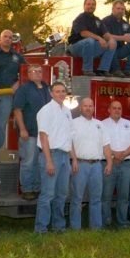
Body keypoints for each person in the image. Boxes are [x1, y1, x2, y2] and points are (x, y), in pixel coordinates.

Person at [34, 82, 75, 233]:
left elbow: (70, 137)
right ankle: (41, 229)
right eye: (57, 91)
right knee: (47, 194)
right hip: (51, 155)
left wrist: (73, 159)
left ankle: (59, 227)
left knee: (61, 195)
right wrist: (49, 161)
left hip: (64, 156)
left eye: (63, 91)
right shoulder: (46, 110)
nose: (61, 94)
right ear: (51, 94)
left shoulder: (67, 111)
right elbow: (43, 136)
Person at [68, 97, 111, 230]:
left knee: (96, 198)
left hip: (97, 166)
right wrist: (74, 160)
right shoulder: (73, 123)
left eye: (90, 106)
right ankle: (75, 228)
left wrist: (109, 162)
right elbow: (69, 144)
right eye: (85, 106)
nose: (88, 108)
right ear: (80, 108)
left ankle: (96, 228)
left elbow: (106, 145)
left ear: (94, 108)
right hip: (80, 164)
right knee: (77, 198)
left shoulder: (100, 125)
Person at [11, 65, 51, 199]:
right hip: (30, 133)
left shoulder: (46, 88)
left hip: (44, 134)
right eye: (34, 71)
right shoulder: (24, 89)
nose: (38, 74)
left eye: (40, 71)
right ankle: (27, 189)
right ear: (28, 74)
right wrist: (22, 129)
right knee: (28, 162)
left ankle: (37, 188)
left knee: (40, 162)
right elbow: (17, 110)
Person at [0, 29, 24, 162]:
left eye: (10, 37)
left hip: (7, 95)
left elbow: (27, 71)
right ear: (0, 39)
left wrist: (18, 83)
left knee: (1, 126)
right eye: (5, 36)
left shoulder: (17, 57)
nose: (8, 39)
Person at [102, 100, 130, 227]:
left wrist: (122, 155)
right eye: (114, 108)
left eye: (119, 108)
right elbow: (101, 145)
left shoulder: (129, 124)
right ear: (109, 110)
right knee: (106, 195)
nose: (117, 110)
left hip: (125, 165)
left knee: (124, 196)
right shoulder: (102, 125)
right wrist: (114, 154)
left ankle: (122, 222)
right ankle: (106, 223)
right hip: (109, 164)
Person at [69, 0, 115, 76]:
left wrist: (111, 39)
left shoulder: (97, 20)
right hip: (76, 48)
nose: (91, 6)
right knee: (90, 41)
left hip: (91, 48)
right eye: (88, 4)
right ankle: (87, 70)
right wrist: (99, 38)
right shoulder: (80, 18)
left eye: (93, 4)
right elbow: (83, 33)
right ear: (84, 6)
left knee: (112, 43)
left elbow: (105, 33)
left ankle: (103, 70)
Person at [101, 1, 130, 78]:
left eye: (122, 9)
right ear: (113, 9)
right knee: (112, 43)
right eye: (118, 8)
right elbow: (106, 36)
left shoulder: (125, 24)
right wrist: (123, 38)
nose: (120, 11)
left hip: (120, 50)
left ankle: (128, 70)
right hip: (107, 50)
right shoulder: (106, 21)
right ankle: (116, 70)